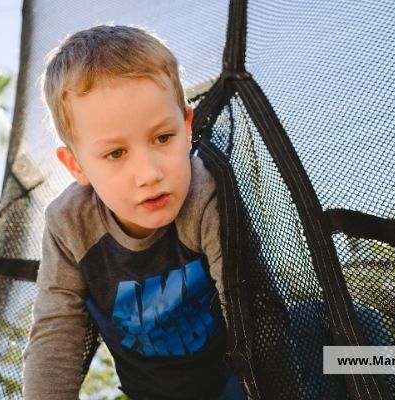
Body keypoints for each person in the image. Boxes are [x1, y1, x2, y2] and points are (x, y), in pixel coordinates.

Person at [22, 25, 245, 399]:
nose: (150, 174)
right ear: (75, 165)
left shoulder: (206, 192)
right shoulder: (71, 224)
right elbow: (54, 336)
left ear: (186, 128)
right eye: (115, 154)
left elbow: (251, 311)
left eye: (163, 138)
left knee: (362, 351)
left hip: (240, 375)